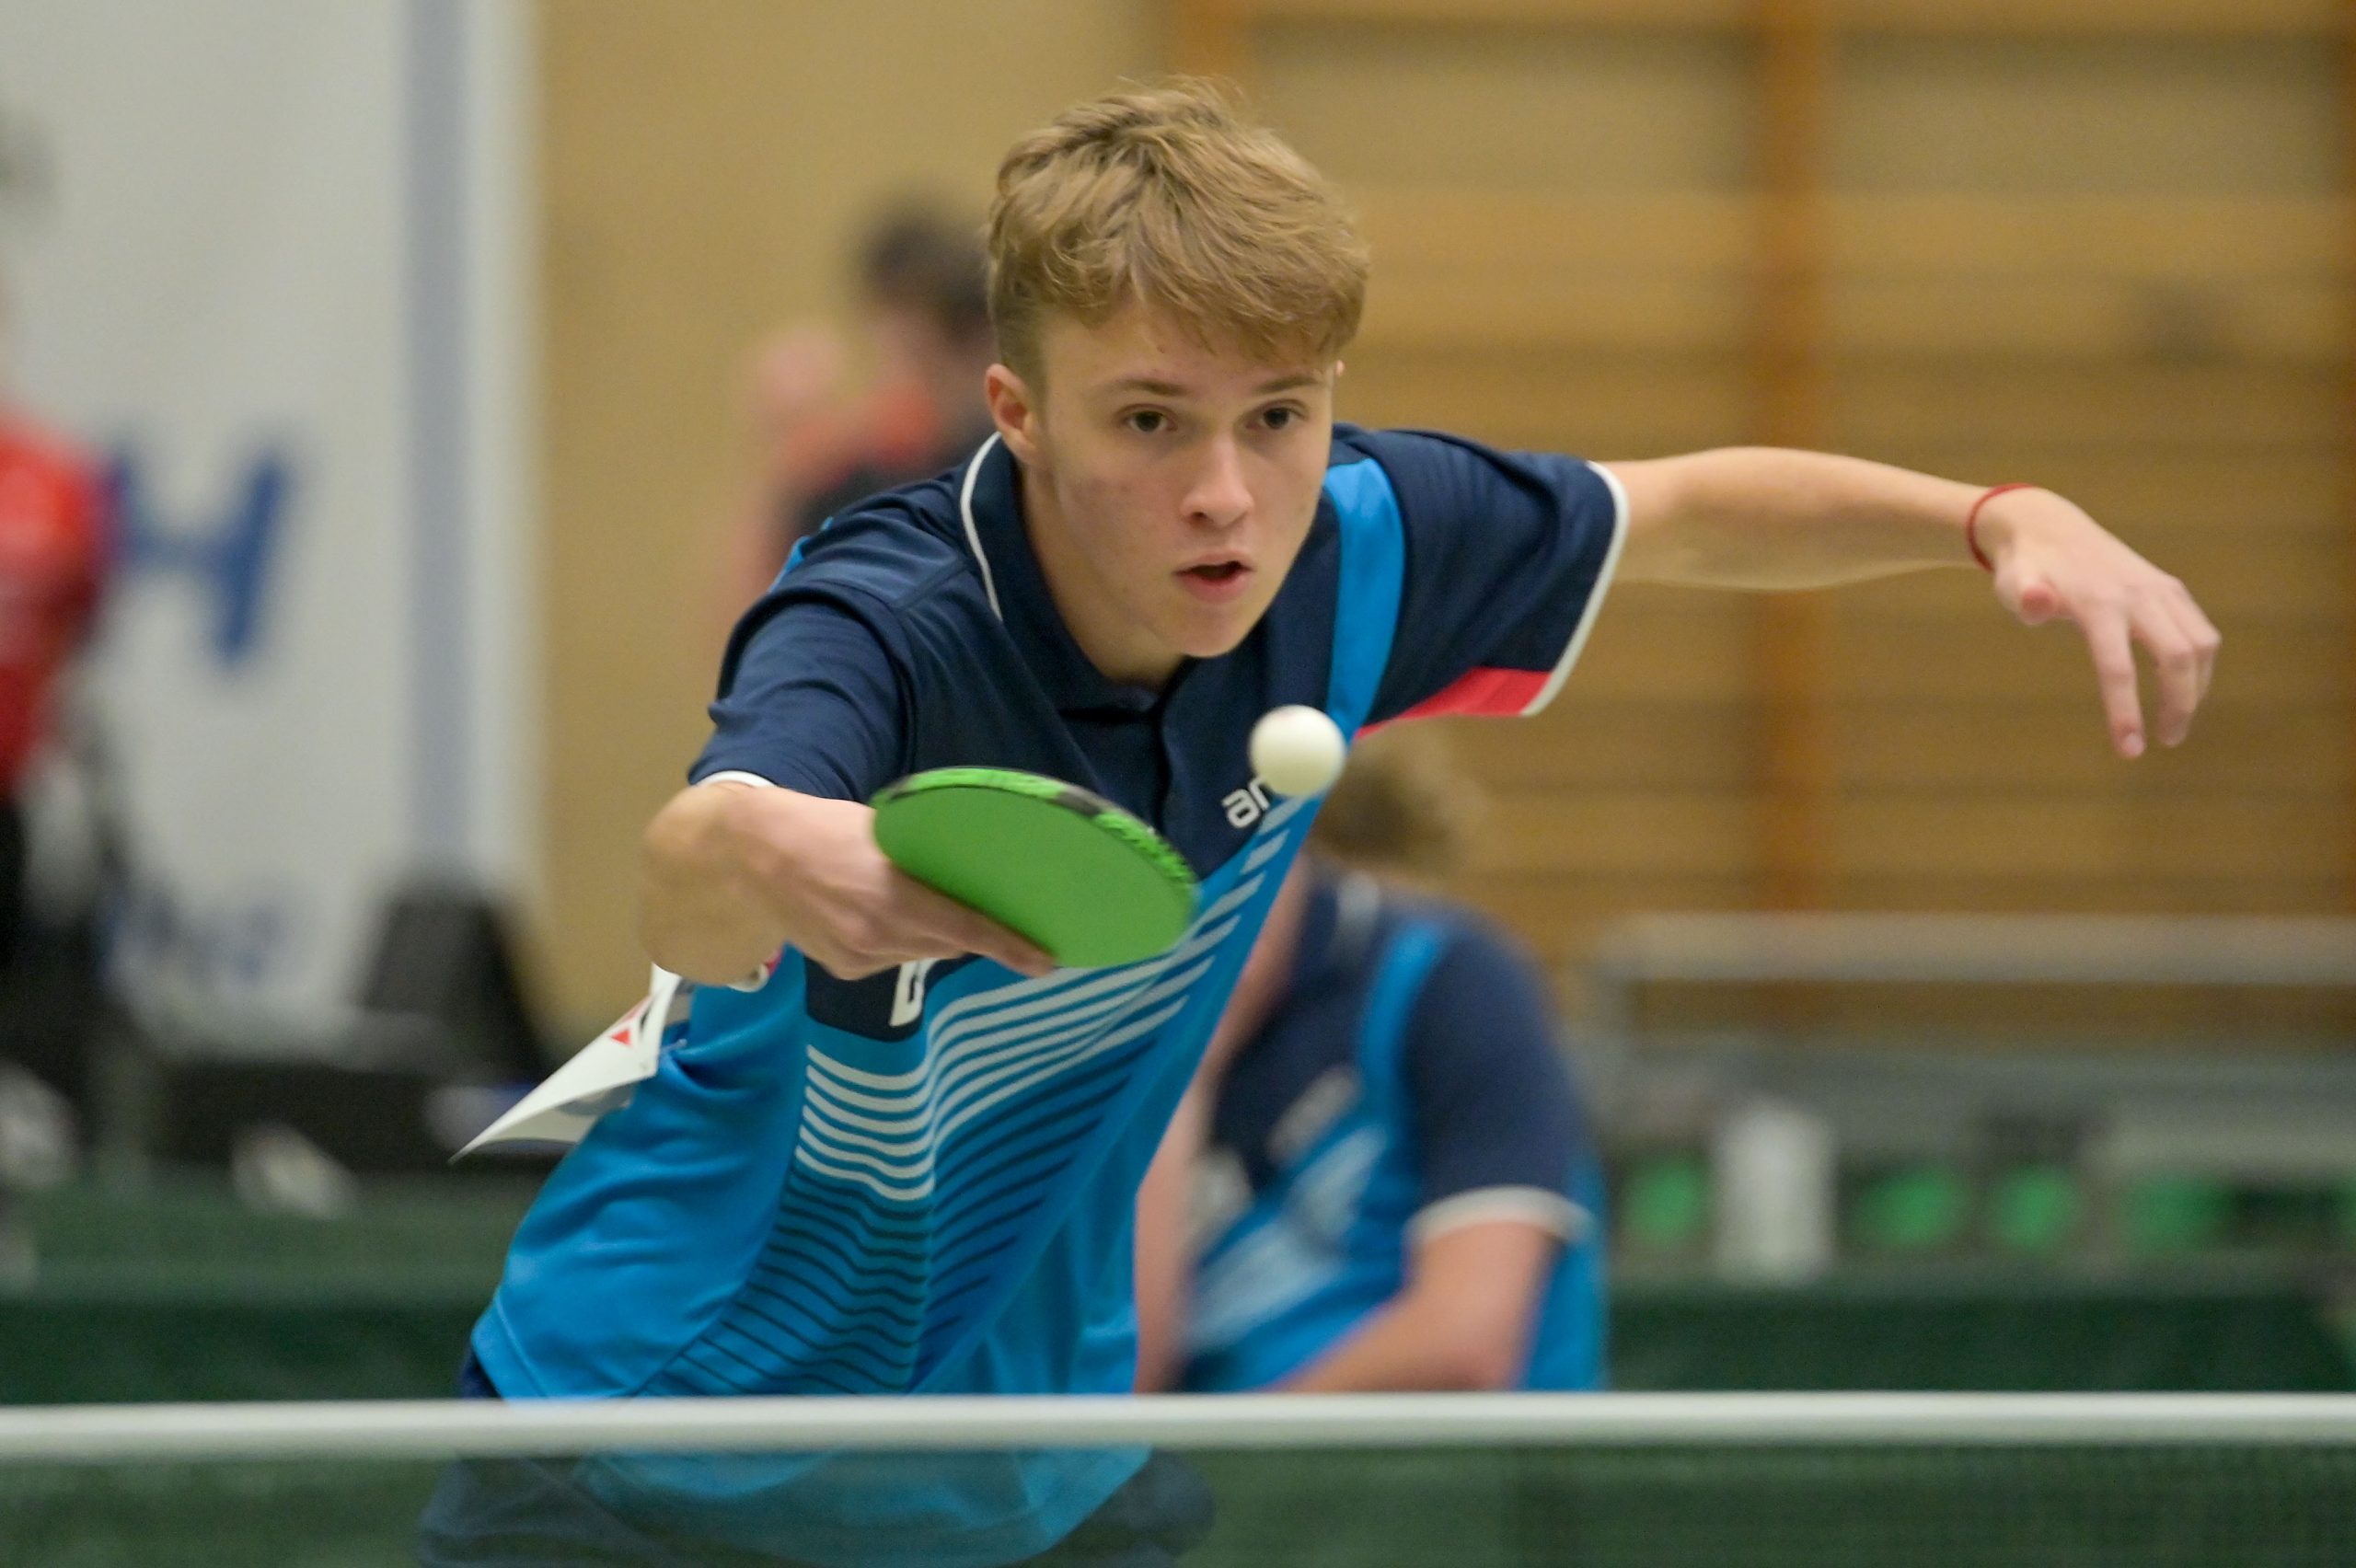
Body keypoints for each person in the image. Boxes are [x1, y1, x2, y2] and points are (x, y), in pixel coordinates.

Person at [428, 80, 2218, 1568]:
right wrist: (780, 851)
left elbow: (1677, 511)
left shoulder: (1358, 545)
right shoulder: (887, 617)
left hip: (1014, 1468)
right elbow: (695, 863)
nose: (1226, 493)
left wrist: (1993, 515)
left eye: (1277, 415)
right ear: (1017, 410)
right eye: (1150, 420)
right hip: (647, 1450)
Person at [1133, 730, 1606, 1395]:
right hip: (1219, 1453)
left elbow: (1464, 1344)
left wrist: (1234, 1444)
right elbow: (1125, 1382)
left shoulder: (1450, 980)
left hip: (1438, 1456)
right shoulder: (1115, 1018)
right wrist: (1179, 1076)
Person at [725, 202, 999, 610]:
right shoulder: (848, 479)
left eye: (916, 355)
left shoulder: (999, 470)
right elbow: (750, 618)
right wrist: (787, 464)